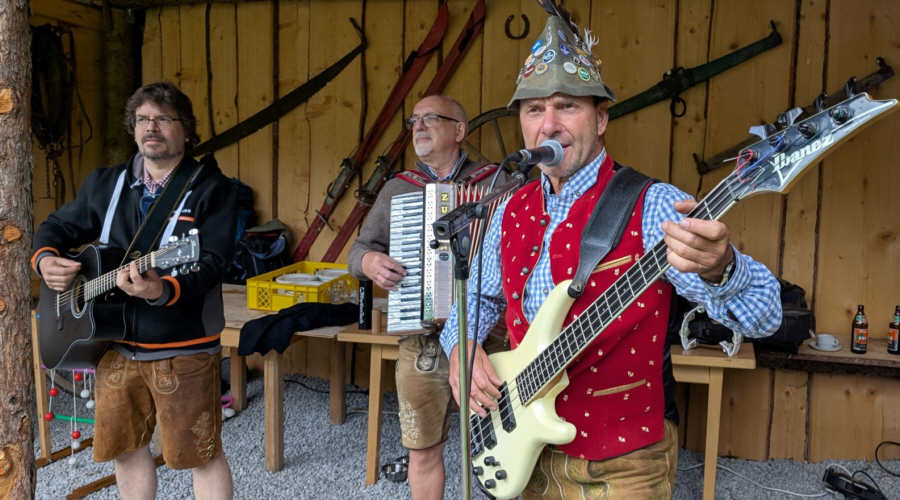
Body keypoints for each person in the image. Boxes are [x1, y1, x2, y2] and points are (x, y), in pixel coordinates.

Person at [439, 14, 782, 499]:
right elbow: (479, 300)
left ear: (601, 119)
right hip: (522, 448)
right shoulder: (507, 208)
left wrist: (723, 268)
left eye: (566, 107)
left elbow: (767, 316)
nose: (549, 126)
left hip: (623, 463)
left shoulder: (653, 204)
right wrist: (461, 347)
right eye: (534, 109)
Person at [32, 82, 237, 500]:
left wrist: (161, 288)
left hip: (183, 348)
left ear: (186, 129)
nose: (152, 128)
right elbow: (56, 226)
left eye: (163, 119)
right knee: (125, 450)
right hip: (115, 346)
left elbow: (213, 264)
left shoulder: (215, 190)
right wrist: (44, 259)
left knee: (200, 454)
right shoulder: (106, 183)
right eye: (143, 119)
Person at [348, 94, 509, 500]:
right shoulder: (398, 189)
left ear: (459, 131)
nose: (417, 126)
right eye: (413, 119)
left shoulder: (499, 183)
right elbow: (358, 249)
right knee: (421, 452)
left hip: (490, 338)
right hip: (422, 340)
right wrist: (369, 262)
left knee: (504, 450)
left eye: (430, 118)